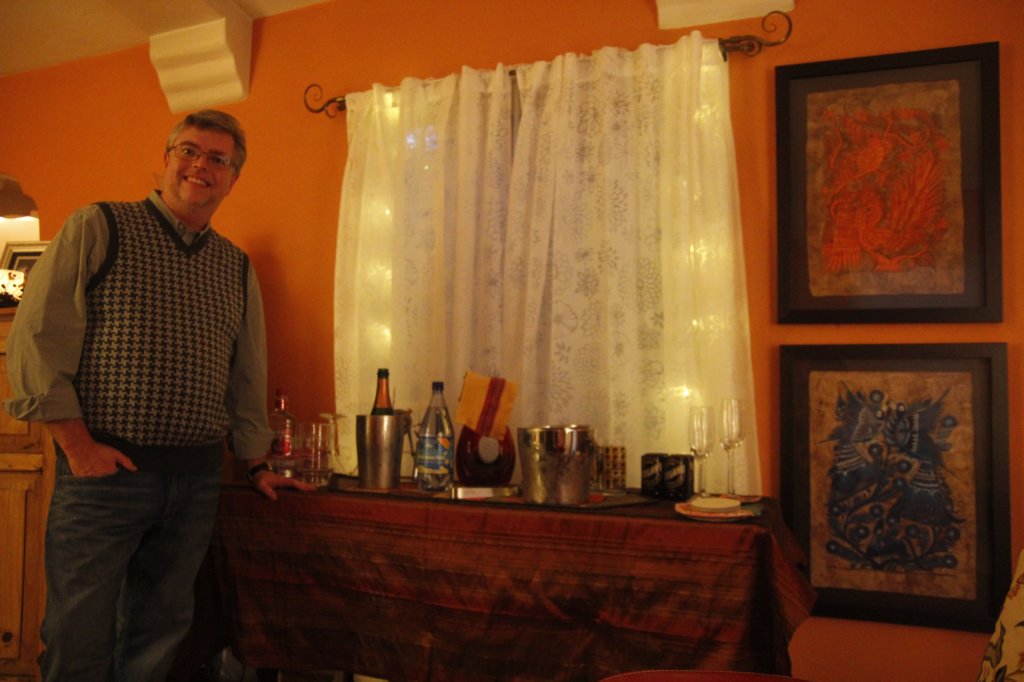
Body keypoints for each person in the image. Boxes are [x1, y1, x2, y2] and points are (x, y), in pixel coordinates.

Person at [4, 109, 313, 681]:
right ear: (166, 158)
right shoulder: (99, 226)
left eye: (218, 159)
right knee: (77, 634)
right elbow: (38, 340)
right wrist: (77, 448)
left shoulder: (235, 266)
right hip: (104, 477)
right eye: (189, 150)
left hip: (195, 484)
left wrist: (256, 462)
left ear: (233, 178)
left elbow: (246, 375)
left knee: (158, 637)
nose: (200, 165)